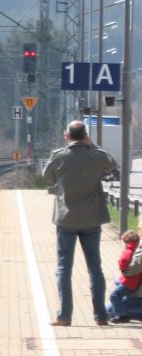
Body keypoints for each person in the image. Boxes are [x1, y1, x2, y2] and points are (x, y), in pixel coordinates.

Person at [42, 120, 118, 326]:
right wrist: (92, 145)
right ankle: (101, 316)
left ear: (67, 136)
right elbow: (112, 163)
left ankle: (64, 316)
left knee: (64, 268)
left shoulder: (60, 156)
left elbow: (47, 177)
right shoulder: (96, 155)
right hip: (92, 219)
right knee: (95, 268)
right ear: (85, 136)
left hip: (66, 219)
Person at [109, 230, 142, 323]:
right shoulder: (136, 249)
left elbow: (123, 261)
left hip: (129, 282)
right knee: (116, 282)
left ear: (126, 242)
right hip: (135, 281)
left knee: (114, 296)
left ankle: (122, 315)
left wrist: (122, 267)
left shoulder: (128, 250)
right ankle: (122, 310)